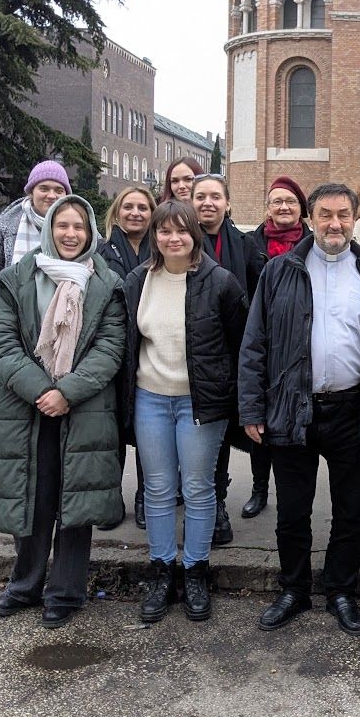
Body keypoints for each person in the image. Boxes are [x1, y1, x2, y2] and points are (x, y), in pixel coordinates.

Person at [239, 183, 360, 637]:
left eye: (343, 215)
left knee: (351, 510)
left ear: (354, 219)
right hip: (293, 408)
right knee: (293, 510)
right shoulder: (279, 272)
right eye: (326, 215)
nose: (335, 224)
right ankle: (292, 589)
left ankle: (340, 591)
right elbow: (255, 344)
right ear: (310, 219)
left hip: (353, 410)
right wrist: (252, 408)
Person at [0, 194, 126, 629]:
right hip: (27, 409)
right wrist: (42, 390)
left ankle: (66, 591)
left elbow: (110, 349)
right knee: (32, 496)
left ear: (91, 233)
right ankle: (25, 584)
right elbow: (3, 346)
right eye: (62, 225)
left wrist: (66, 391)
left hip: (83, 408)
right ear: (49, 228)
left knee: (74, 499)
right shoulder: (17, 279)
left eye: (79, 227)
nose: (70, 234)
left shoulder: (107, 283)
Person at [123, 200, 246, 623]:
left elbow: (238, 343)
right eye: (164, 231)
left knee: (197, 487)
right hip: (150, 398)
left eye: (181, 231)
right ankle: (161, 570)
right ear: (154, 236)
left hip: (200, 403)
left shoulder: (221, 282)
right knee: (157, 489)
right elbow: (129, 344)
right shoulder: (139, 280)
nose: (172, 238)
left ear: (195, 234)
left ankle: (195, 570)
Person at [191, 174, 261, 544]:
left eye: (215, 196)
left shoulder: (244, 244)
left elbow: (261, 289)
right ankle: (200, 505)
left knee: (218, 434)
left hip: (232, 353)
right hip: (190, 352)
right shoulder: (181, 240)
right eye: (200, 196)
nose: (208, 203)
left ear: (227, 203)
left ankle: (215, 504)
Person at [241, 175, 311, 520]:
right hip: (263, 339)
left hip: (301, 346)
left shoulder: (314, 243)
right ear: (267, 207)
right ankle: (258, 488)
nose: (283, 208)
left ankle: (297, 493)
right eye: (277, 202)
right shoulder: (250, 243)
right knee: (263, 424)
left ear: (301, 208)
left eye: (291, 202)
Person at [98, 184, 156, 530]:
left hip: (150, 351)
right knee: (112, 430)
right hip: (115, 351)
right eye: (128, 206)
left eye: (143, 208)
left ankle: (146, 496)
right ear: (117, 212)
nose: (135, 213)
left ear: (152, 213)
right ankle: (110, 497)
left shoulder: (162, 250)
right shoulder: (102, 253)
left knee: (150, 431)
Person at [0, 160, 72, 321]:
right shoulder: (6, 226)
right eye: (44, 188)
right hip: (15, 330)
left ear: (66, 195)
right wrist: (1, 322)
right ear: (31, 192)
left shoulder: (84, 229)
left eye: (59, 190)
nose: (51, 195)